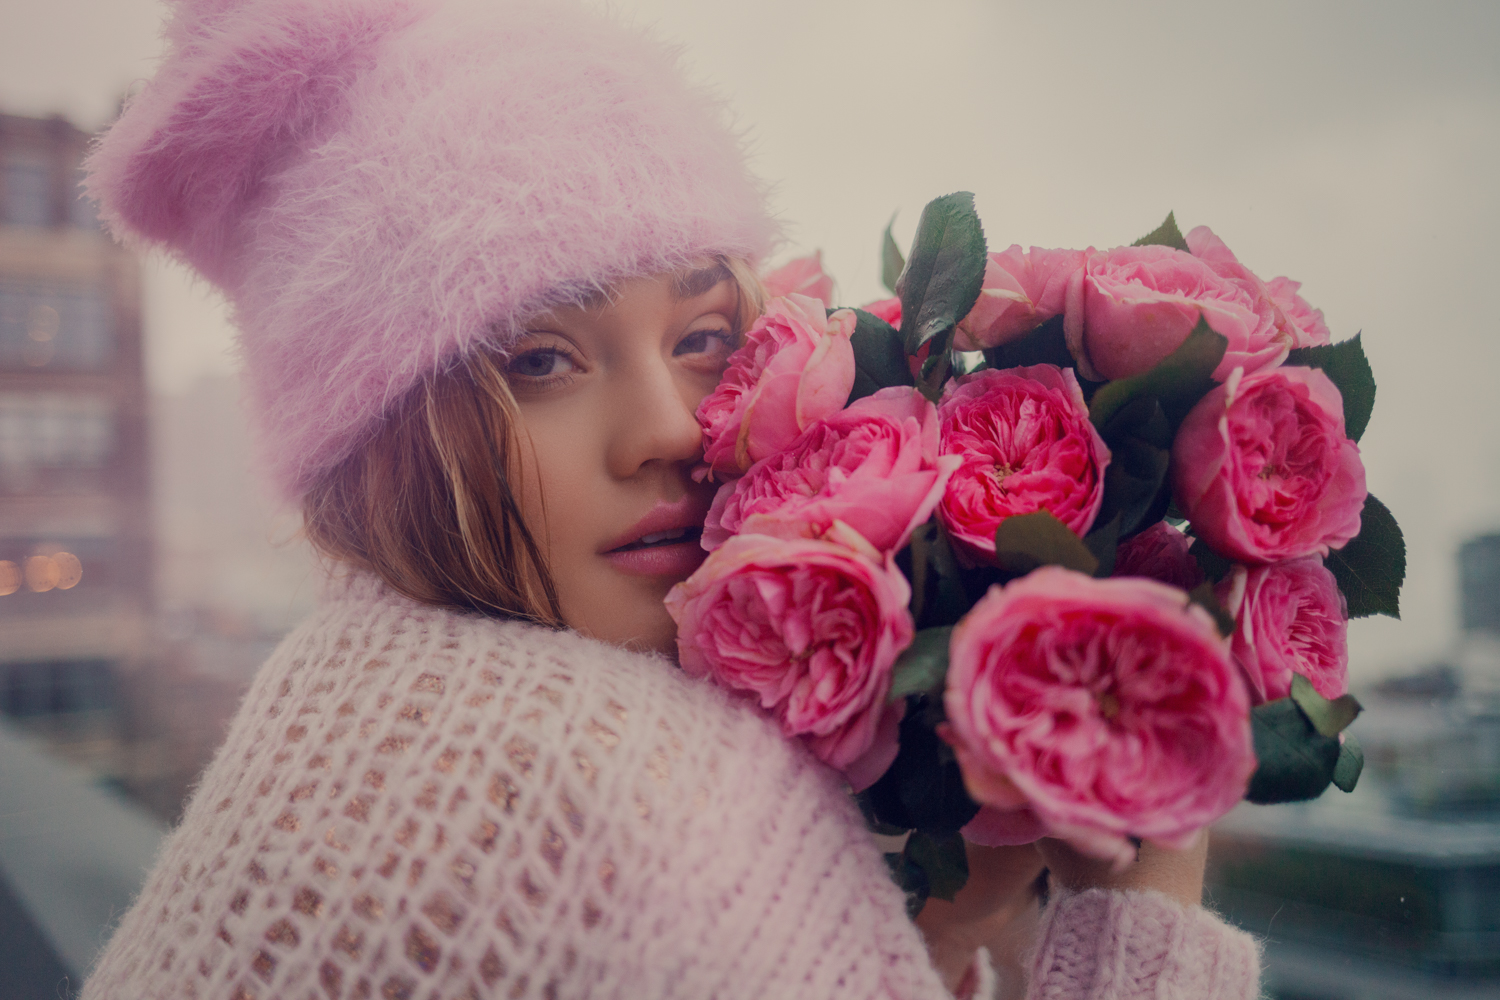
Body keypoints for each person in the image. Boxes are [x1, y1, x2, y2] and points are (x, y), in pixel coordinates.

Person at [80, 0, 1262, 997]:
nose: (662, 428)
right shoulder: (601, 786)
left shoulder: (350, 689)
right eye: (539, 361)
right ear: (375, 439)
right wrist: (1149, 916)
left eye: (703, 334)